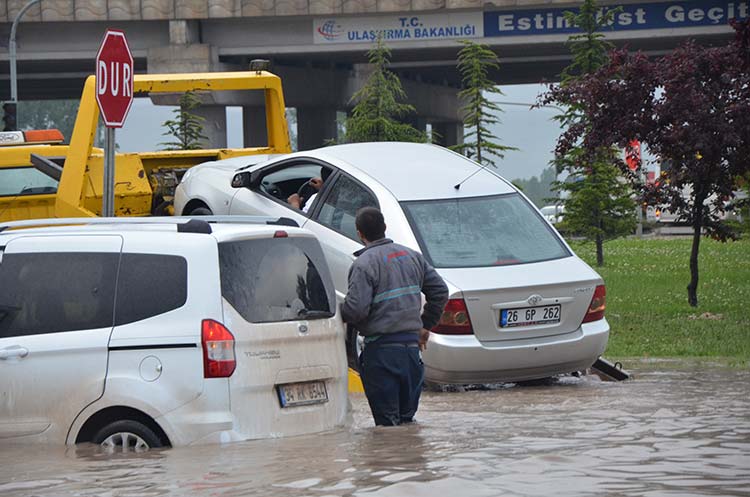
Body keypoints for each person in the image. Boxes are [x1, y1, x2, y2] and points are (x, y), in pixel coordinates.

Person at [341, 207, 448, 426]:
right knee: (406, 422)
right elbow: (440, 291)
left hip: (381, 354)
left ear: (359, 233)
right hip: (412, 353)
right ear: (385, 228)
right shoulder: (412, 256)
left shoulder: (363, 265)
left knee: (387, 426)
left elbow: (356, 310)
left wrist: (336, 312)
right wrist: (425, 325)